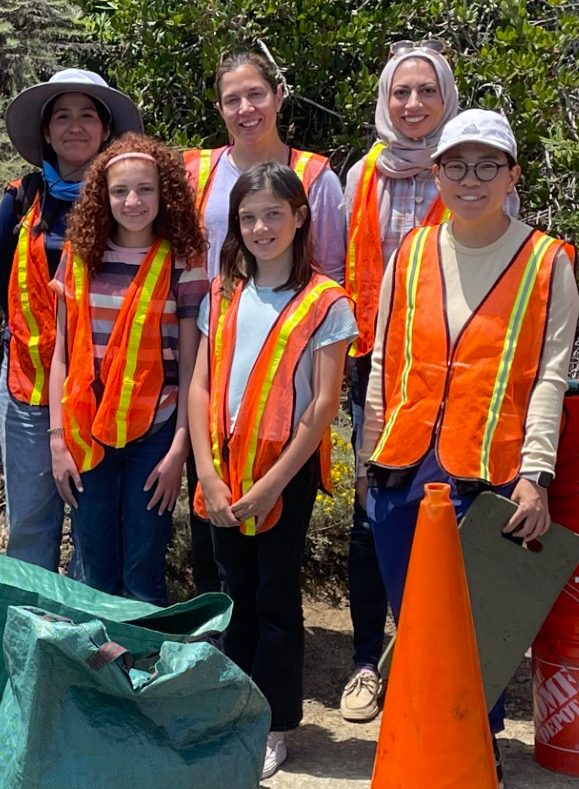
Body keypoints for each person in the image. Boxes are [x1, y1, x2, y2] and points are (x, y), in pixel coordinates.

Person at [359, 109, 577, 777]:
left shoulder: (547, 261)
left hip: (489, 476)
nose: (471, 179)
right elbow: (382, 361)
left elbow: (551, 375)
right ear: (436, 173)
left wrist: (536, 472)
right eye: (457, 164)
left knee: (474, 638)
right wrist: (368, 455)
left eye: (488, 165)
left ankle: (475, 758)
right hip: (402, 471)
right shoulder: (412, 252)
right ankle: (429, 751)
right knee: (419, 629)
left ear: (512, 175)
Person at [188, 163, 354, 780]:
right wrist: (207, 473)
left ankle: (275, 722)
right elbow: (203, 383)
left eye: (273, 215)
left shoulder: (327, 303)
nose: (260, 228)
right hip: (222, 467)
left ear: (300, 217)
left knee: (276, 598)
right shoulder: (223, 292)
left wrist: (273, 483)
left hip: (282, 471)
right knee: (231, 596)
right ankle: (231, 710)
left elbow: (321, 407)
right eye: (248, 216)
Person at [184, 50, 348, 594]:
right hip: (210, 358)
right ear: (220, 109)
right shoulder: (198, 171)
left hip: (287, 383)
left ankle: (268, 669)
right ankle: (217, 655)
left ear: (278, 95)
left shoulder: (316, 177)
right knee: (212, 541)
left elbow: (330, 275)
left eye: (256, 94)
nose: (246, 108)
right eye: (232, 99)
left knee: (273, 570)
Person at [335, 38, 460, 722]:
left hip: (453, 367)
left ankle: (431, 658)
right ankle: (364, 662)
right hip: (373, 368)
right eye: (400, 92)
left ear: (447, 98)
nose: (412, 104)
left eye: (426, 91)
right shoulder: (362, 177)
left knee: (447, 508)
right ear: (384, 101)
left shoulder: (467, 167)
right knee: (371, 511)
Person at [0, 68, 142, 571]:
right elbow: (3, 290)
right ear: (46, 131)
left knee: (93, 528)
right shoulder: (20, 200)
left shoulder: (130, 203)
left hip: (104, 395)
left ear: (105, 129)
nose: (74, 127)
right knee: (31, 523)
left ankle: (82, 641)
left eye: (86, 115)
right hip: (29, 385)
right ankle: (31, 635)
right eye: (62, 116)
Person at [47, 132, 208, 605]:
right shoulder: (79, 257)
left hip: (155, 434)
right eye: (120, 191)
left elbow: (191, 364)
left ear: (166, 194)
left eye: (145, 190)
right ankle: (97, 670)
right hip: (84, 433)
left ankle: (140, 671)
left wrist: (180, 446)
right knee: (94, 566)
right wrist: (57, 440)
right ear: (102, 195)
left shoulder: (185, 261)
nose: (133, 201)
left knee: (143, 569)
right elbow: (61, 355)